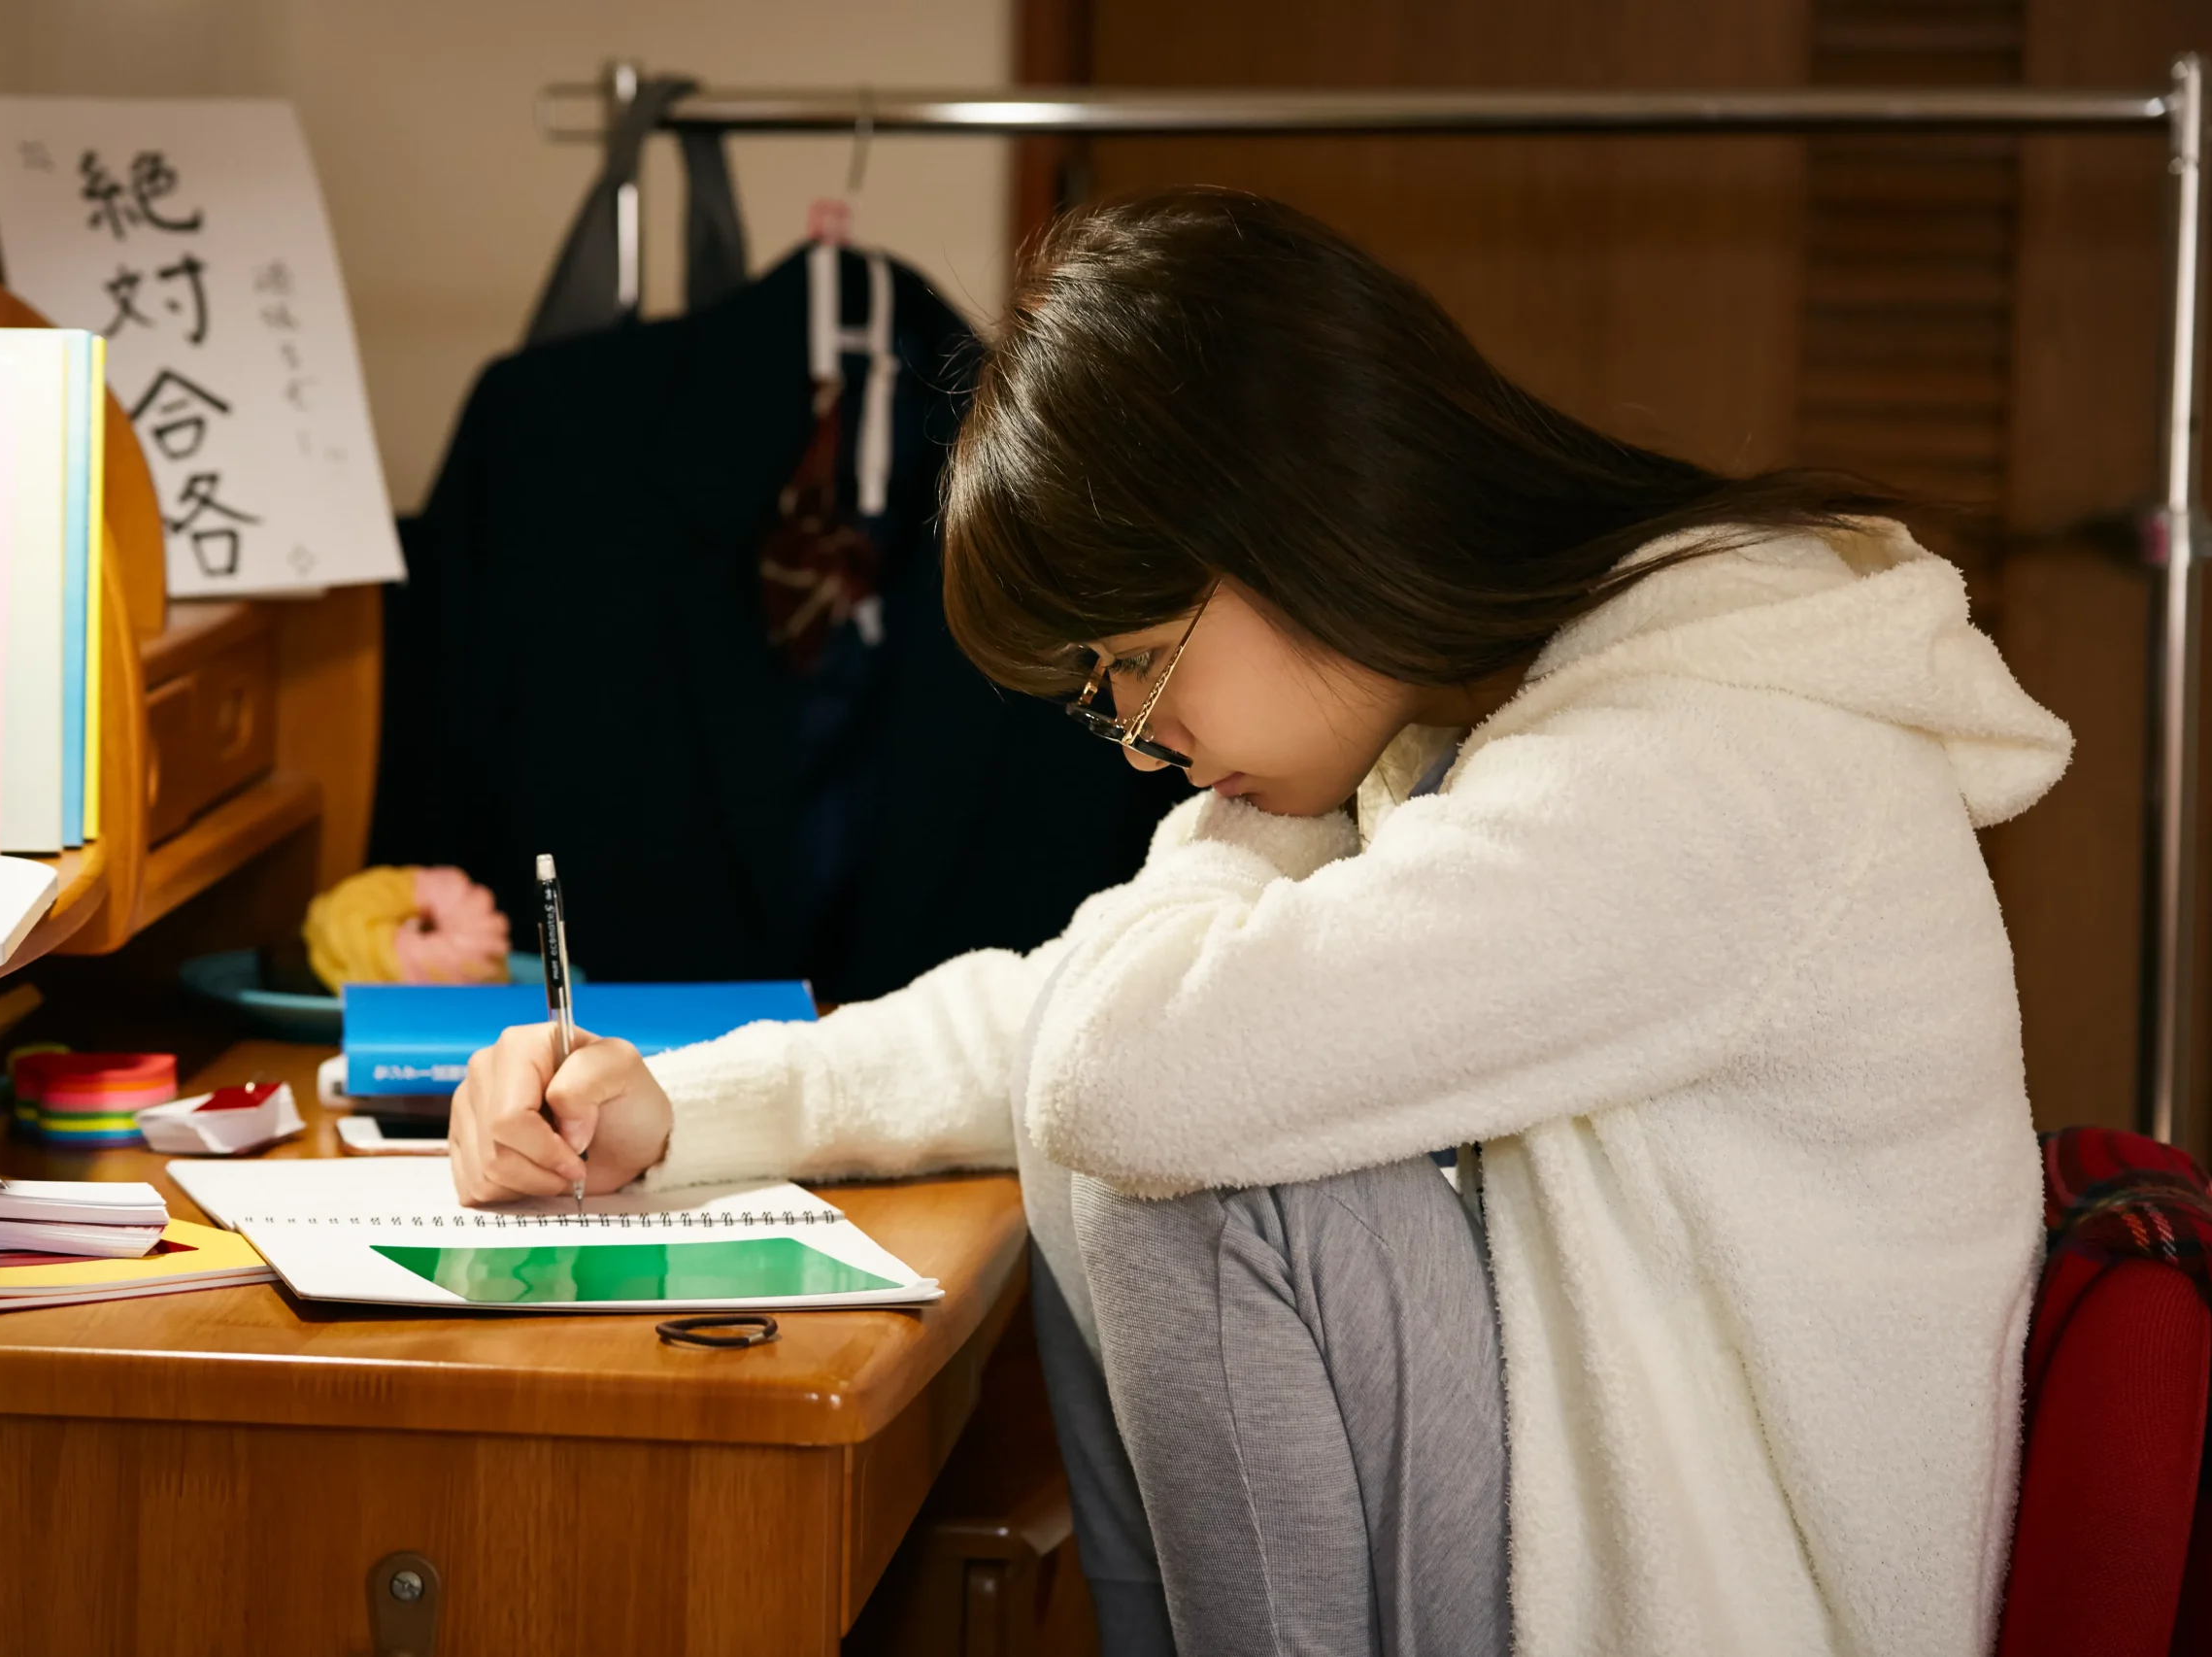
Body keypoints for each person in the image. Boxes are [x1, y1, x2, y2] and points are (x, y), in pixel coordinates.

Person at [451, 187, 2072, 1657]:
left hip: (1740, 1613)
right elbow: (1077, 1002)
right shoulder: (1487, 728)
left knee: (1197, 1169)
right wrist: (680, 1107)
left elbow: (1123, 1063)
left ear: (1302, 524)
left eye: (1135, 664)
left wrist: (1229, 841)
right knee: (1171, 1097)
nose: (1141, 743)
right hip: (1603, 1562)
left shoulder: (1707, 765)